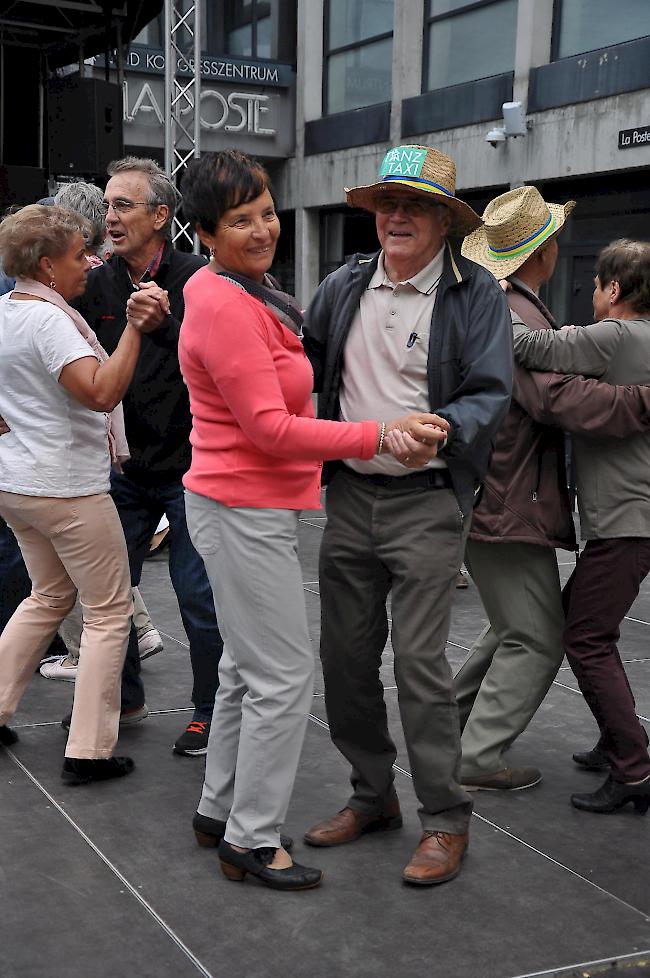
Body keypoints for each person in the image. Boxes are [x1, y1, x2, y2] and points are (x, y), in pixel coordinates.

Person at [178, 149, 448, 891]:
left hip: (241, 503)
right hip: (242, 506)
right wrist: (379, 433)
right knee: (284, 677)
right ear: (204, 231)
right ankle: (253, 841)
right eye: (241, 220)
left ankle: (219, 812)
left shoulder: (238, 288)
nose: (263, 229)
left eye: (266, 211)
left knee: (246, 668)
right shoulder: (227, 304)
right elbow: (268, 428)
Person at [301, 144, 513, 885]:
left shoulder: (474, 293)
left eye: (415, 206)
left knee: (420, 664)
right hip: (352, 496)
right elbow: (305, 363)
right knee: (345, 660)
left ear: (443, 222)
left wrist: (447, 426)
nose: (396, 217)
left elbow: (492, 392)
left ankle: (446, 820)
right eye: (388, 204)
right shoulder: (344, 284)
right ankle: (372, 796)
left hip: (426, 504)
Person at [454, 189, 650, 791]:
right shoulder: (510, 309)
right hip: (509, 496)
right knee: (540, 635)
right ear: (544, 249)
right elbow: (554, 395)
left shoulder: (505, 303)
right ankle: (480, 757)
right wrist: (640, 401)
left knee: (526, 623)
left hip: (514, 496)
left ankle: (449, 720)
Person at [75, 156, 223, 756]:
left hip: (191, 466)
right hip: (124, 468)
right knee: (109, 593)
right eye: (108, 205)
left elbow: (219, 361)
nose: (109, 217)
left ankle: (210, 713)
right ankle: (125, 698)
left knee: (196, 593)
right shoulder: (95, 282)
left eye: (124, 205)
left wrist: (167, 326)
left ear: (161, 216)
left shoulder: (199, 279)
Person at [0, 204, 153, 783]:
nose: (89, 262)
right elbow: (100, 393)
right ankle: (89, 750)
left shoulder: (4, 312)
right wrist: (135, 330)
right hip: (66, 488)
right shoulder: (50, 321)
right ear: (46, 263)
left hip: (14, 484)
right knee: (110, 612)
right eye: (76, 254)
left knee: (45, 597)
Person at [512, 239, 650, 814]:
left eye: (595, 285)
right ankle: (617, 738)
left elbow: (527, 345)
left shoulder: (618, 336)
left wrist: (490, 292)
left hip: (626, 518)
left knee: (586, 637)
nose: (591, 295)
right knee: (582, 624)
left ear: (613, 290)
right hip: (635, 517)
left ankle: (635, 771)